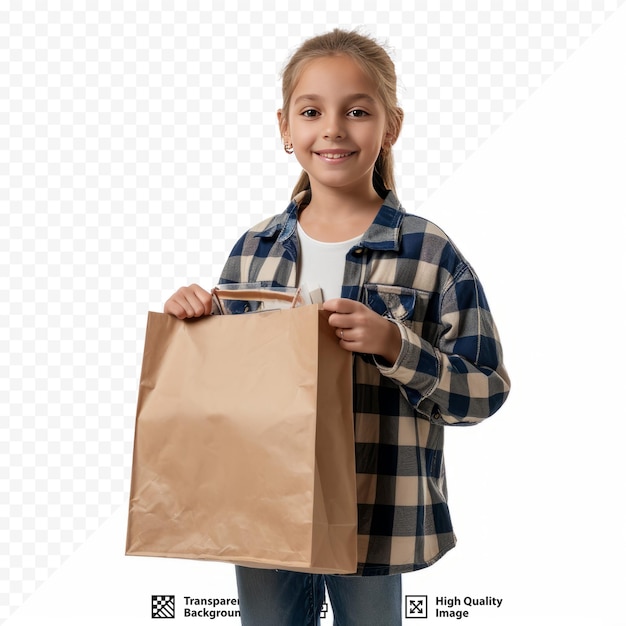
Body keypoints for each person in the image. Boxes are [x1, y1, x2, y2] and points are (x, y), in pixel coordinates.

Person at [164, 28, 510, 626]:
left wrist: (395, 346)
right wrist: (197, 321)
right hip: (264, 507)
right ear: (284, 127)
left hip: (376, 512)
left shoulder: (427, 251)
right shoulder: (254, 251)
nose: (333, 128)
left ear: (390, 126)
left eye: (356, 111)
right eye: (311, 111)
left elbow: (485, 390)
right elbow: (226, 392)